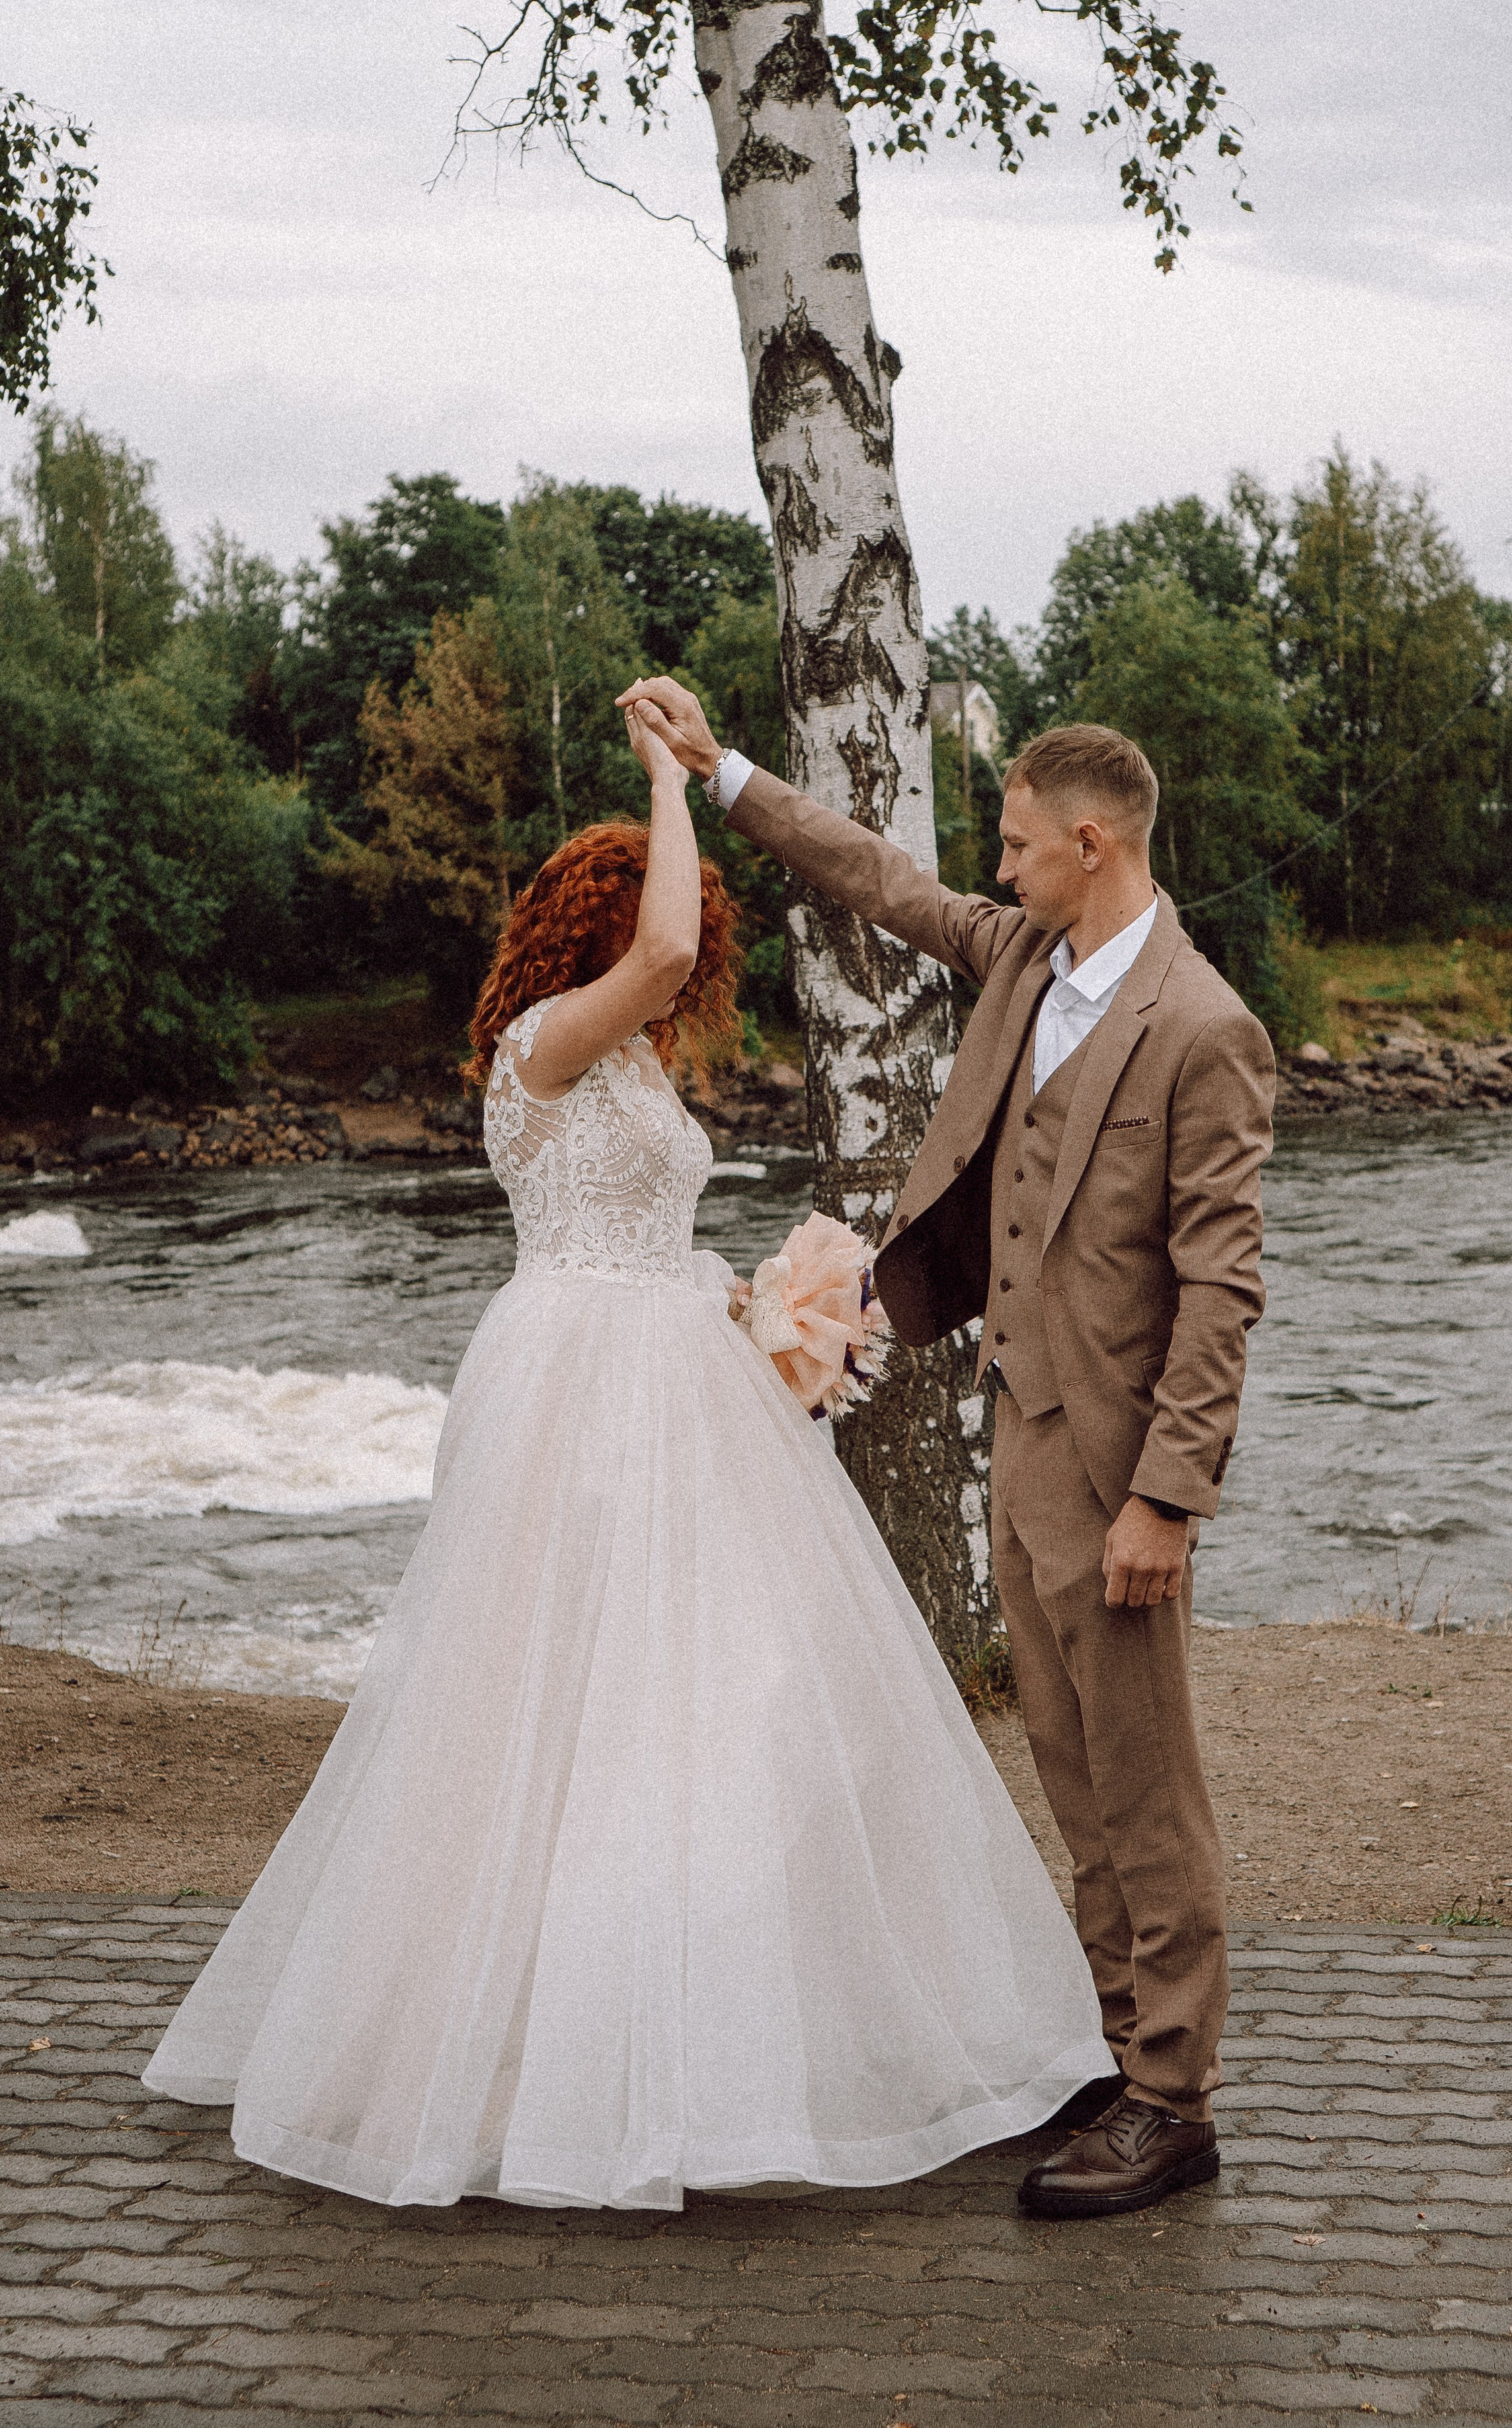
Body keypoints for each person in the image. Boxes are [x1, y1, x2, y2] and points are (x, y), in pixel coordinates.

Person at [141, 704, 1114, 2212]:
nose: (689, 971)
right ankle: (542, 2051)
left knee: (727, 1696)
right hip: (579, 1388)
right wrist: (676, 779)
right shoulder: (544, 1044)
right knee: (549, 1700)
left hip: (679, 1367)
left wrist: (758, 1308)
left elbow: (652, 1202)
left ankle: (711, 2023)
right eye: (682, 936)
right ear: (597, 927)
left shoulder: (633, 1072)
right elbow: (658, 957)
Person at [623, 679, 1275, 2221]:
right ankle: (1121, 2054)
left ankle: (1172, 2101)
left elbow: (1220, 1289)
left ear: (1092, 841)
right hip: (1014, 1433)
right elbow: (880, 878)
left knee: (1145, 1785)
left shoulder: (1202, 1029)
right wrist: (723, 777)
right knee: (1068, 1765)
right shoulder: (1019, 959)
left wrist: (1165, 1500)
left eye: (1019, 843)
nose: (996, 867)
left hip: (1115, 1465)